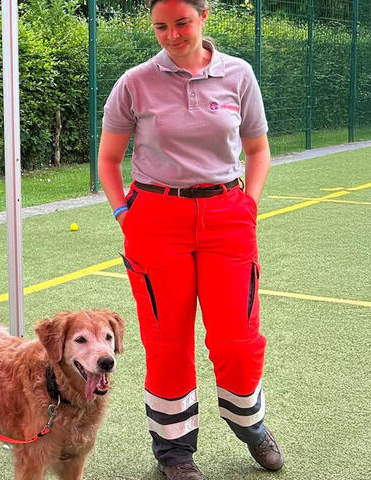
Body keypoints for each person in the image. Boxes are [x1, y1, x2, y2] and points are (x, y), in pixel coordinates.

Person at [97, 0, 284, 478]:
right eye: (161, 26)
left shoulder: (239, 75)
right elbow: (109, 159)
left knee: (237, 339)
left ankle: (251, 425)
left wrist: (250, 204)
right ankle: (174, 453)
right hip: (156, 220)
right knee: (166, 340)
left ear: (204, 17)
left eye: (182, 22)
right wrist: (124, 212)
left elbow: (258, 149)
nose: (172, 34)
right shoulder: (134, 83)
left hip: (227, 216)